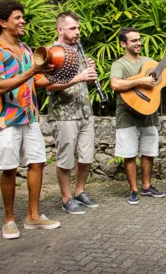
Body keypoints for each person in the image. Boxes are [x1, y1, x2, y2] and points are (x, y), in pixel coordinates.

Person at [0, 0, 61, 239]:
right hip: (5, 118)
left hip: (29, 115)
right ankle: (9, 219)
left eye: (22, 17)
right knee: (9, 168)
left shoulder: (27, 50)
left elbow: (36, 81)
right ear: (3, 23)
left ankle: (33, 217)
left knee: (37, 163)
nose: (23, 20)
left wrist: (64, 76)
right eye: (17, 17)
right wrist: (31, 72)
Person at [110, 27, 166, 205]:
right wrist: (140, 81)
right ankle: (133, 189)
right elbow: (115, 84)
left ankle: (146, 186)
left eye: (139, 39)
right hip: (127, 115)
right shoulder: (120, 64)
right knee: (129, 154)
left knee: (149, 153)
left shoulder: (150, 62)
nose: (138, 43)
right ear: (123, 44)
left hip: (149, 113)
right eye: (134, 40)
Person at [46, 12, 99, 215]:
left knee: (86, 156)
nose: (77, 32)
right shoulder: (52, 52)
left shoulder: (79, 50)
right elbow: (48, 86)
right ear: (60, 29)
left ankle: (80, 191)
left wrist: (89, 74)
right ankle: (66, 198)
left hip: (85, 110)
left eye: (78, 28)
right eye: (72, 28)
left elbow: (83, 81)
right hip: (64, 113)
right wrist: (78, 77)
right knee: (65, 159)